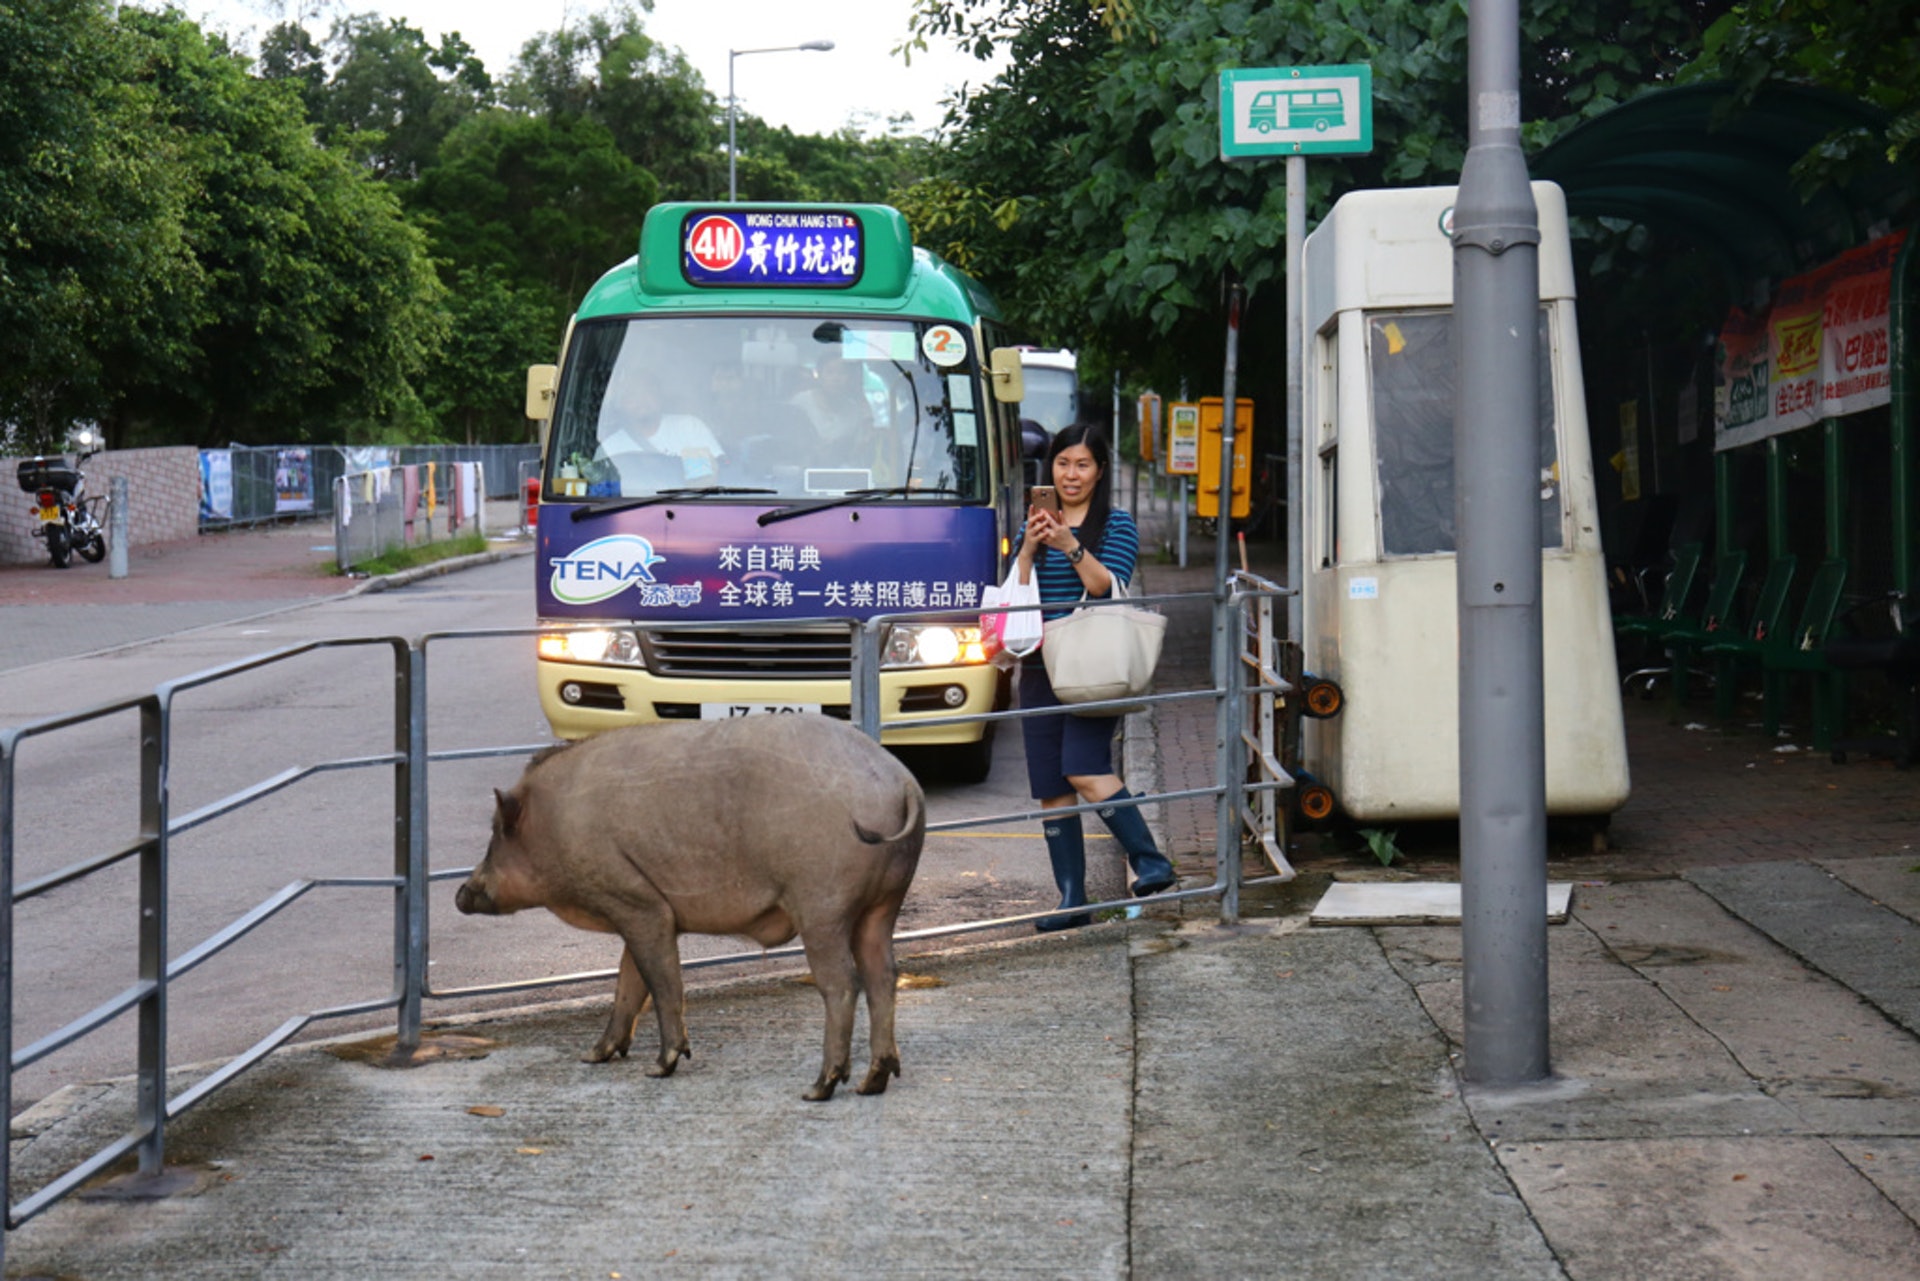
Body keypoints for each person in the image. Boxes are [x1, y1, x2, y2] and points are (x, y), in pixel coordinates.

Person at [1013, 423, 1176, 931]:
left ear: (1100, 471)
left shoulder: (1116, 524)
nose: (1071, 474)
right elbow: (1017, 591)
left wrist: (1069, 544)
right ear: (1051, 468)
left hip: (1090, 663)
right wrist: (1027, 549)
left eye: (1082, 464)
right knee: (1051, 787)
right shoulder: (1035, 522)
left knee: (1083, 767)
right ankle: (1072, 899)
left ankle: (1151, 861)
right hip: (1039, 665)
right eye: (1063, 463)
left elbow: (1109, 588)